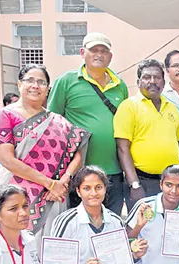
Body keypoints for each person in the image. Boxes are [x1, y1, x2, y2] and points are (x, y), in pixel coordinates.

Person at [0, 64, 90, 241]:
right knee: (19, 245)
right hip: (17, 193)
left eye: (41, 82)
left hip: (55, 195)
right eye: (30, 80)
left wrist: (63, 181)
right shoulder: (5, 115)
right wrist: (49, 183)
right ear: (19, 84)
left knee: (53, 245)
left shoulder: (58, 121)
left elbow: (78, 150)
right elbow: (7, 159)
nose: (35, 86)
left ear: (48, 90)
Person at [47, 32, 129, 215]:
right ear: (83, 52)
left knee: (111, 219)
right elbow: (53, 124)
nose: (98, 54)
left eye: (103, 51)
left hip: (113, 169)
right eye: (93, 50)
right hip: (79, 170)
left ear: (110, 56)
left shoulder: (120, 85)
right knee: (79, 221)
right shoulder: (67, 81)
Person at [114, 59, 179, 211]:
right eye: (147, 77)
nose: (152, 81)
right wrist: (134, 183)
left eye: (157, 77)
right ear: (139, 82)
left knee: (169, 226)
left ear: (163, 82)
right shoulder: (129, 107)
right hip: (143, 182)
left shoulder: (171, 107)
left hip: (171, 182)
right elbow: (122, 149)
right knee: (144, 226)